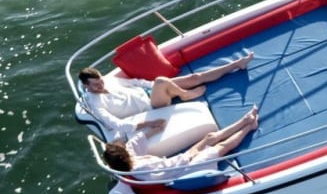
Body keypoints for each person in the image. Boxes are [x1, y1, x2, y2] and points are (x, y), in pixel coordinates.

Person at [79, 52, 253, 137]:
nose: (101, 84)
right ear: (87, 86)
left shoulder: (109, 81)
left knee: (194, 77)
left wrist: (152, 86)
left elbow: (135, 83)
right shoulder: (97, 103)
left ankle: (237, 64)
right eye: (96, 84)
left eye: (101, 80)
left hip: (150, 92)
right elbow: (116, 124)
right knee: (162, 81)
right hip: (151, 106)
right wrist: (149, 122)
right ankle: (184, 95)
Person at [103, 105, 259, 177]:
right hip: (185, 169)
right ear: (123, 157)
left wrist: (153, 128)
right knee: (220, 147)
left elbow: (134, 143)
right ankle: (249, 126)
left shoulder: (130, 158)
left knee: (209, 138)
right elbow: (168, 168)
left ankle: (244, 120)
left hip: (181, 162)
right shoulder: (141, 168)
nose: (123, 145)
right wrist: (190, 155)